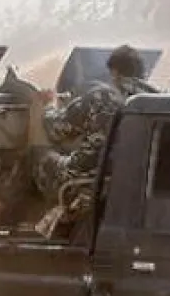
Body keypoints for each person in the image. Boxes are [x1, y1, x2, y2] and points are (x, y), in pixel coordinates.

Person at [31, 44, 157, 213]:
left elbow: (56, 129)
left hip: (91, 179)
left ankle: (32, 215)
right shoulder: (157, 101)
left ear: (114, 72)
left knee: (41, 155)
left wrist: (48, 106)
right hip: (134, 184)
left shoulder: (102, 96)